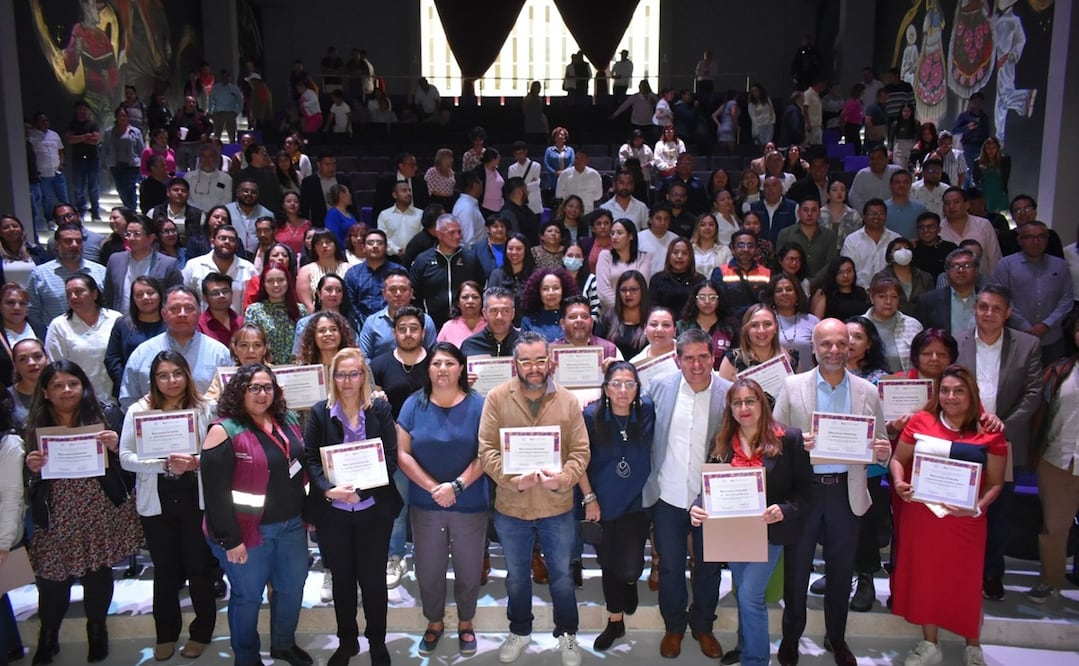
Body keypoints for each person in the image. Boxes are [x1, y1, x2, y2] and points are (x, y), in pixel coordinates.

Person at [772, 318, 891, 666]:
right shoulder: (793, 386)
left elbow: (881, 438)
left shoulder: (867, 390)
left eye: (842, 343)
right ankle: (791, 636)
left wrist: (882, 449)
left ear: (850, 346)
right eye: (827, 344)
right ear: (815, 347)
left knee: (841, 573)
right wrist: (796, 440)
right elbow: (775, 439)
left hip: (846, 491)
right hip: (805, 493)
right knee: (797, 571)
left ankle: (836, 637)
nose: (835, 351)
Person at [478, 331, 590, 666]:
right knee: (515, 575)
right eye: (526, 360)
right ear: (515, 364)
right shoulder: (497, 398)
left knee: (561, 574)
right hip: (512, 506)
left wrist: (564, 479)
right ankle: (520, 630)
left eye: (540, 360)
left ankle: (567, 634)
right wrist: (513, 479)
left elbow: (581, 451)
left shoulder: (568, 400)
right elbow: (486, 450)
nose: (534, 367)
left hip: (556, 506)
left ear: (550, 361)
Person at [686, 377, 811, 666]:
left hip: (769, 532)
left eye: (750, 401)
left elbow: (806, 491)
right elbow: (708, 487)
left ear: (762, 404)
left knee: (751, 595)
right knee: (744, 593)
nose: (744, 408)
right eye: (737, 402)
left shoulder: (788, 438)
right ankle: (744, 646)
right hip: (733, 532)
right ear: (730, 408)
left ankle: (755, 659)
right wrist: (697, 508)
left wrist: (784, 509)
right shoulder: (722, 441)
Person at [24, 361, 142, 664]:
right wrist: (32, 468)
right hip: (56, 512)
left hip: (98, 508)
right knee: (52, 580)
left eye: (72, 384)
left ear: (83, 386)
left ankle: (97, 629)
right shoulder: (35, 424)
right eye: (57, 385)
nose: (66, 390)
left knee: (97, 573)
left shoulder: (105, 415)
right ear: (46, 393)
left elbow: (130, 460)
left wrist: (116, 447)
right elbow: (26, 479)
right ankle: (48, 636)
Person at [890, 365, 1006, 666]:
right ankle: (930, 644)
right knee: (926, 578)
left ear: (971, 394)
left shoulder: (989, 431)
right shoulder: (920, 421)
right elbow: (898, 460)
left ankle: (972, 645)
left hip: (966, 520)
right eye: (945, 390)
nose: (950, 397)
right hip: (922, 517)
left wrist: (978, 506)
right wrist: (899, 481)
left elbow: (996, 482)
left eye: (958, 391)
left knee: (965, 581)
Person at [201, 364, 310, 666]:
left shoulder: (286, 420)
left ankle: (283, 644)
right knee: (248, 598)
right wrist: (231, 540)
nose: (262, 394)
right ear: (239, 390)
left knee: (291, 589)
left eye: (268, 387)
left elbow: (299, 464)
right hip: (247, 533)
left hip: (291, 527)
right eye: (254, 387)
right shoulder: (224, 431)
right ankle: (247, 658)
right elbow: (215, 494)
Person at [301, 349, 400, 666]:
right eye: (341, 374)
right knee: (342, 581)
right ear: (333, 378)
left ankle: (377, 642)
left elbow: (392, 457)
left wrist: (360, 489)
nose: (347, 381)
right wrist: (330, 490)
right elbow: (311, 459)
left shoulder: (380, 410)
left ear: (364, 377)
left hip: (373, 509)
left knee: (373, 582)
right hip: (333, 513)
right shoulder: (320, 412)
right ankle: (347, 642)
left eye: (354, 373)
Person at [119, 352, 216, 661]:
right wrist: (162, 465)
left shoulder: (204, 409)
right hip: (157, 501)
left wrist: (194, 463)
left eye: (177, 373)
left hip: (195, 499)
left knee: (199, 569)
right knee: (165, 571)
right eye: (163, 375)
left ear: (187, 375)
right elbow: (125, 457)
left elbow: (218, 455)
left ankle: (202, 632)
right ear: (154, 379)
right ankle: (166, 634)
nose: (171, 381)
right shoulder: (138, 410)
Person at [641, 328, 730, 659]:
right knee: (671, 567)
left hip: (710, 500)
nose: (696, 365)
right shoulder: (659, 387)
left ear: (713, 357)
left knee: (709, 567)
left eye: (703, 357)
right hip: (668, 496)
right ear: (677, 360)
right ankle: (674, 627)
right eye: (689, 358)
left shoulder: (729, 393)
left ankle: (703, 626)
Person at [396, 343, 487, 658]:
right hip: (426, 505)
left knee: (468, 568)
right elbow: (402, 453)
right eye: (437, 363)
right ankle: (434, 622)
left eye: (450, 363)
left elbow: (487, 453)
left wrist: (457, 486)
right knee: (429, 569)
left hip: (470, 503)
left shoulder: (480, 405)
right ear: (428, 369)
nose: (443, 369)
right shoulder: (413, 405)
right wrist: (435, 487)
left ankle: (465, 622)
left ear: (461, 368)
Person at [956, 285, 1042, 603]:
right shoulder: (959, 342)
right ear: (975, 309)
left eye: (996, 308)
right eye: (983, 307)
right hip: (963, 439)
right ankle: (963, 570)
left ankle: (992, 572)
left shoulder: (1028, 345)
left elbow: (1033, 393)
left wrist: (1003, 426)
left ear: (1008, 312)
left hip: (1004, 442)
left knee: (999, 512)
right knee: (960, 508)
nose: (988, 313)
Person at [581, 362, 655, 651]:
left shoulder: (645, 411)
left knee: (631, 565)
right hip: (602, 502)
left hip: (636, 501)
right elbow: (579, 461)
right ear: (606, 388)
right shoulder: (591, 415)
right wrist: (589, 498)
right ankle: (615, 621)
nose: (623, 390)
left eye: (629, 384)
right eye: (616, 383)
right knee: (608, 563)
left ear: (637, 388)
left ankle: (629, 582)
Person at [1027, 317, 1079, 603]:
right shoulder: (1060, 371)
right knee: (1055, 527)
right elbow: (1042, 414)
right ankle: (1051, 580)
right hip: (1059, 459)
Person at [119, 286, 232, 410]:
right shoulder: (142, 353)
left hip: (207, 426)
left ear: (199, 313)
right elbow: (128, 399)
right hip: (156, 427)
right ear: (163, 313)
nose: (182, 314)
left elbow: (231, 400)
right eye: (174, 308)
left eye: (189, 308)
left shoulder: (220, 353)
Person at [991, 220, 1073, 366]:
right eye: (1029, 237)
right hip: (1017, 337)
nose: (1036, 241)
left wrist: (1046, 324)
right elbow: (1001, 299)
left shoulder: (1060, 265)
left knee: (1051, 382)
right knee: (1016, 384)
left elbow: (1066, 300)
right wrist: (1026, 327)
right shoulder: (1006, 265)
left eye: (1041, 236)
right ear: (1020, 240)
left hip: (1052, 338)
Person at [43, 274, 121, 398]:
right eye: (69, 294)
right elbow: (56, 366)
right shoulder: (59, 325)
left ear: (94, 294)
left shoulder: (116, 319)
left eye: (79, 292)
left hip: (114, 396)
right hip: (77, 398)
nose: (73, 297)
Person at [27, 222, 106, 337]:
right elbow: (33, 312)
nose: (74, 245)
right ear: (56, 244)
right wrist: (46, 338)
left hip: (96, 339)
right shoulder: (40, 274)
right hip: (57, 341)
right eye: (68, 241)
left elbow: (107, 307)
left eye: (78, 241)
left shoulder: (100, 272)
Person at [410, 215, 484, 330]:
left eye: (459, 232)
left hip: (466, 324)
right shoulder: (423, 260)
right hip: (432, 325)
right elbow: (414, 293)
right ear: (439, 234)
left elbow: (481, 286)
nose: (457, 236)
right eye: (452, 232)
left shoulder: (470, 258)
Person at [718, 304, 798, 403]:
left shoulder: (792, 357)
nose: (761, 330)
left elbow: (798, 397)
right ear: (746, 329)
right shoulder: (732, 360)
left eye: (767, 324)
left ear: (776, 328)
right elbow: (722, 402)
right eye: (754, 325)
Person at [102, 216, 182, 313]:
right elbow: (108, 295)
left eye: (137, 234)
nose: (131, 238)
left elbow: (175, 297)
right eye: (128, 234)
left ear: (151, 238)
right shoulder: (115, 260)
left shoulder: (168, 264)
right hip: (121, 320)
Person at [104, 277, 166, 397]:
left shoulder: (171, 323)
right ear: (133, 299)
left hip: (168, 388)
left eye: (150, 293)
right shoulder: (122, 324)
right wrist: (127, 384)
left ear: (159, 295)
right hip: (131, 391)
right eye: (139, 294)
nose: (145, 298)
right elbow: (112, 359)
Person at [244, 261, 307, 364]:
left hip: (296, 372)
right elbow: (250, 345)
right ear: (263, 284)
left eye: (281, 280)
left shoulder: (301, 310)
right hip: (264, 370)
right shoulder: (254, 311)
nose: (276, 285)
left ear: (288, 281)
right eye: (270, 281)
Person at [864, 275, 923, 373]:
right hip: (866, 385)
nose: (888, 302)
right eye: (882, 297)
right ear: (871, 297)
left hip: (905, 385)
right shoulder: (858, 326)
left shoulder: (913, 325)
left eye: (894, 297)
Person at [596, 219, 652, 313]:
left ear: (630, 236)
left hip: (637, 313)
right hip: (611, 313)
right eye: (612, 233)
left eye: (619, 233)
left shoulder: (644, 257)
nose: (614, 237)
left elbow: (642, 287)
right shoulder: (605, 256)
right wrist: (623, 310)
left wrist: (630, 311)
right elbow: (603, 291)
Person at [767, 274, 820, 373]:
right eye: (779, 291)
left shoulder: (812, 321)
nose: (784, 293)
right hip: (775, 381)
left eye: (789, 289)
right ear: (772, 296)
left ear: (797, 293)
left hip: (808, 379)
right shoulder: (766, 322)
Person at [596, 271, 650, 361]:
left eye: (633, 290)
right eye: (623, 290)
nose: (628, 294)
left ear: (643, 291)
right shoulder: (608, 318)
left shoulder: (653, 318)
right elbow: (597, 349)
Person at [873, 237, 935, 316]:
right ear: (890, 255)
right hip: (892, 320)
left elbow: (931, 303)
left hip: (921, 321)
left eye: (907, 248)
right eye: (898, 249)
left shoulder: (925, 277)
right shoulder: (880, 278)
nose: (903, 251)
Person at [101, 106, 145, 211]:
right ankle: (127, 207)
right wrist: (103, 162)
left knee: (130, 187)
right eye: (120, 116)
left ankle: (132, 210)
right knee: (121, 189)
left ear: (128, 117)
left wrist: (143, 164)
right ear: (116, 117)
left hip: (132, 165)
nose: (122, 118)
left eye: (124, 116)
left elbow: (141, 149)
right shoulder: (109, 132)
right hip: (116, 165)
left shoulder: (135, 132)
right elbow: (105, 148)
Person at [295, 229, 349, 313]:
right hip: (315, 315)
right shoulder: (305, 271)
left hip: (346, 314)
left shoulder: (349, 268)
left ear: (335, 244)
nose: (324, 246)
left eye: (327, 242)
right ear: (314, 248)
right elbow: (307, 303)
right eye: (319, 243)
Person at [649, 238, 706, 315]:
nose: (679, 256)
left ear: (691, 257)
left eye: (685, 253)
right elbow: (653, 308)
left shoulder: (699, 280)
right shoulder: (657, 279)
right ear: (669, 255)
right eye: (675, 252)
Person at [520, 268, 578, 342]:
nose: (551, 293)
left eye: (556, 288)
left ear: (564, 290)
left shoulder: (574, 318)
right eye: (545, 289)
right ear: (538, 292)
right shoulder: (528, 321)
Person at [811, 257, 869, 322]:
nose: (845, 275)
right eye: (840, 272)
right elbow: (816, 322)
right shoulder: (823, 294)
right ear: (833, 274)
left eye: (849, 271)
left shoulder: (861, 291)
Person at [437, 281, 486, 347]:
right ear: (458, 303)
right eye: (465, 297)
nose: (470, 301)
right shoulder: (448, 327)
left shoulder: (490, 325)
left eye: (475, 297)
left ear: (482, 301)